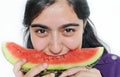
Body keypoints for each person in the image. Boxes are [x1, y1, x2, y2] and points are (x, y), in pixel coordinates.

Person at [13, 0, 120, 77]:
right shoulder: (25, 73)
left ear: (83, 25)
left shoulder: (115, 68)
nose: (55, 49)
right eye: (41, 31)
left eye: (68, 30)